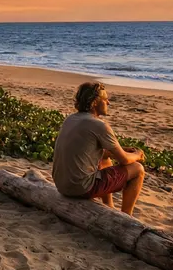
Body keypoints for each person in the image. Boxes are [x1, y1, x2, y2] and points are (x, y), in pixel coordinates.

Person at [52, 82, 146, 215]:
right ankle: (127, 216)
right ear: (95, 102)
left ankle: (108, 205)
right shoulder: (99, 125)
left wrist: (122, 149)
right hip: (81, 188)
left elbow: (90, 150)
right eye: (105, 99)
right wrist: (138, 154)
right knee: (138, 169)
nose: (108, 103)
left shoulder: (71, 119)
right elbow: (124, 160)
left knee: (104, 157)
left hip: (62, 186)